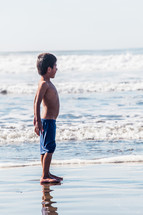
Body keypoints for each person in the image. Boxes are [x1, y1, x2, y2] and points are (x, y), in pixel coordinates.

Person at [33, 53, 63, 183]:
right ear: (49, 69)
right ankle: (44, 176)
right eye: (55, 66)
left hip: (49, 121)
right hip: (47, 121)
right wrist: (37, 121)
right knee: (49, 147)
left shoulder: (46, 83)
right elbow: (37, 102)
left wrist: (37, 119)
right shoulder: (44, 84)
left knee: (44, 148)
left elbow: (35, 100)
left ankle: (47, 173)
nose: (57, 68)